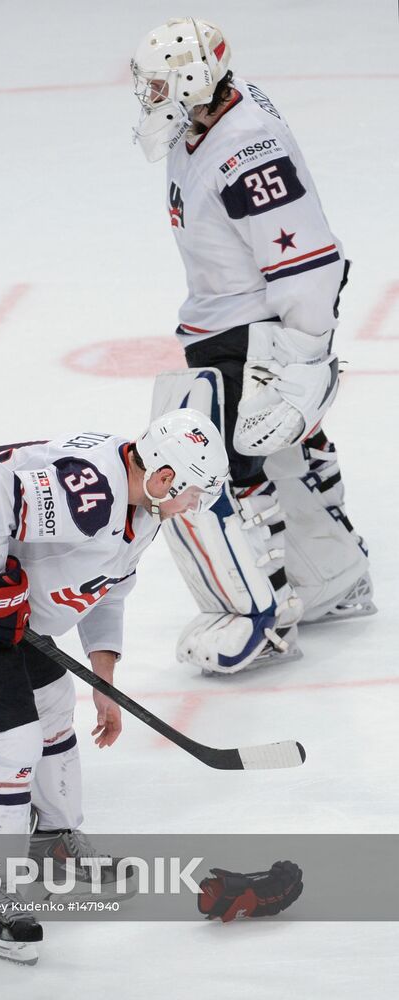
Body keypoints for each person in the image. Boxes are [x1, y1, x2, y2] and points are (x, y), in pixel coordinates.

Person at [0, 410, 229, 964]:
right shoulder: (91, 494)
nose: (195, 505)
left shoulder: (143, 506)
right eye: (194, 493)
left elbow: (107, 589)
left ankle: (52, 844)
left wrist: (104, 680)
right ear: (165, 478)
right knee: (12, 742)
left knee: (56, 702)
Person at [130, 17, 375, 675]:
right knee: (284, 451)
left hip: (250, 327)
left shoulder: (246, 150)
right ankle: (335, 579)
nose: (149, 96)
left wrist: (305, 354)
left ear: (193, 81)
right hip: (228, 320)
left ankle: (268, 616)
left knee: (225, 472)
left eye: (159, 84)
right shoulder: (208, 120)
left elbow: (309, 258)